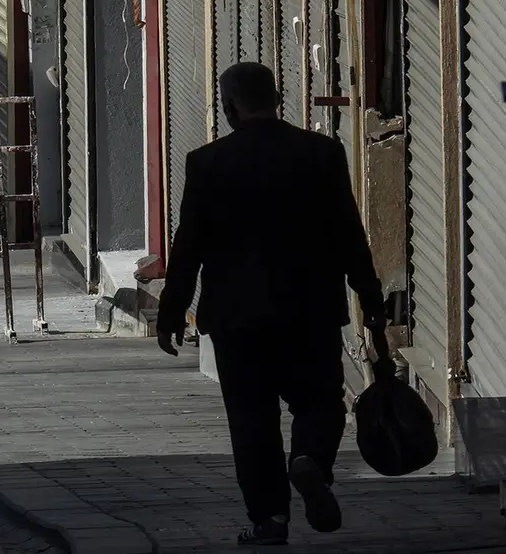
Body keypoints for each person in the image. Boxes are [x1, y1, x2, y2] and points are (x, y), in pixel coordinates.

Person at [156, 62, 388, 546]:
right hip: (310, 312)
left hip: (237, 319)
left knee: (251, 421)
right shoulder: (321, 153)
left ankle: (270, 520)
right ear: (278, 98)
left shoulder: (207, 162)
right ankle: (310, 460)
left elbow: (189, 244)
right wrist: (370, 296)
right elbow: (349, 233)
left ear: (229, 107)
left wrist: (172, 311)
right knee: (320, 401)